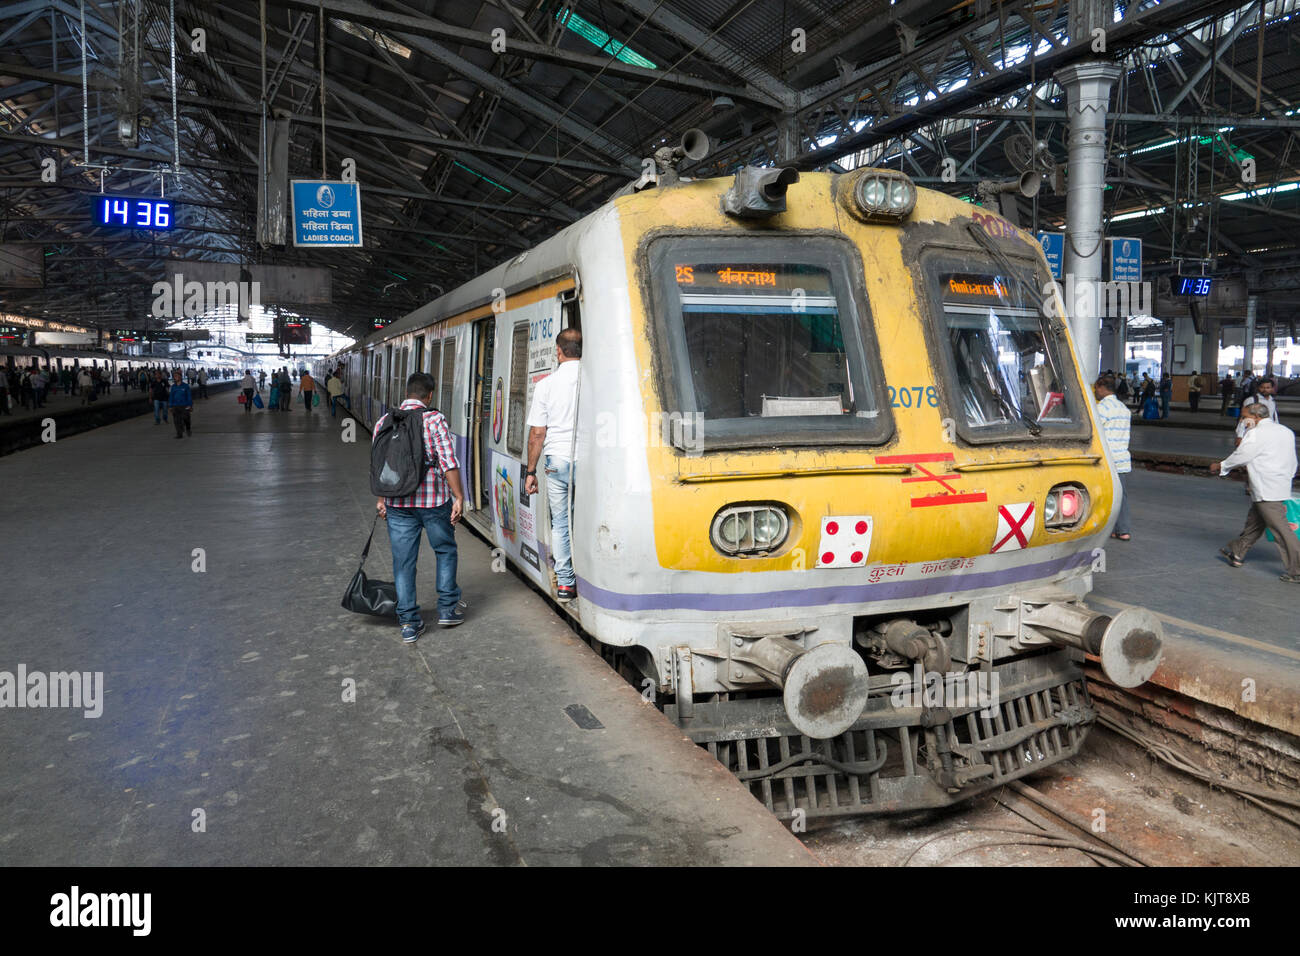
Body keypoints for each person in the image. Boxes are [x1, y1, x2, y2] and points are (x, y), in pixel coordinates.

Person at [374, 372, 465, 642]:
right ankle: (448, 610)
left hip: (397, 504)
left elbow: (380, 465)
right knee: (445, 550)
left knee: (403, 562)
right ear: (430, 395)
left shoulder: (384, 420)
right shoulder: (434, 419)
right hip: (433, 501)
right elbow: (448, 461)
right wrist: (458, 496)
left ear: (406, 392)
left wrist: (381, 500)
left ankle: (409, 624)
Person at [523, 327, 582, 601]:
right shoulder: (596, 381)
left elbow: (537, 433)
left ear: (558, 352)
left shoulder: (546, 385)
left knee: (560, 523)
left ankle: (566, 584)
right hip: (592, 462)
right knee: (585, 519)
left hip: (556, 461)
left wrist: (531, 471)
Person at [1212, 403, 1300, 582]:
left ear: (1256, 417)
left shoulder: (1256, 433)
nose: (1243, 421)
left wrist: (1221, 466)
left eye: (1244, 417)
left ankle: (1296, 570)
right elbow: (1293, 460)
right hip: (1280, 484)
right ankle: (1236, 552)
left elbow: (1242, 455)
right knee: (1255, 521)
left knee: (1281, 530)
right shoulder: (1285, 431)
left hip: (1265, 486)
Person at [1094, 375, 1134, 542]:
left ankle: (1105, 529)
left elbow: (1096, 432)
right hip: (1122, 459)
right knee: (1121, 495)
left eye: (1096, 388)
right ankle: (1123, 530)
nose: (1095, 392)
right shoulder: (1124, 409)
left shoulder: (1102, 409)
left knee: (1102, 495)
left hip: (1107, 460)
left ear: (1102, 388)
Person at [169, 369, 193, 438]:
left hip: (184, 405)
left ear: (180, 377)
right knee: (176, 421)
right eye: (174, 376)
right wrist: (170, 406)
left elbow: (189, 396)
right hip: (175, 406)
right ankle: (179, 434)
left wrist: (190, 405)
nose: (175, 377)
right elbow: (171, 396)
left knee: (186, 419)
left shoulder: (185, 386)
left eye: (176, 376)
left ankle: (188, 429)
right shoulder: (173, 387)